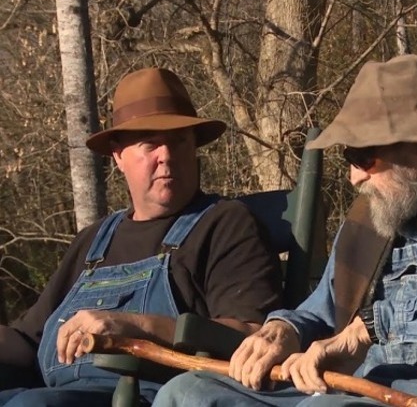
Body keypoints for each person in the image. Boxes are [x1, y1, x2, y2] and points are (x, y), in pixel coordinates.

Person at [152, 54, 417, 407]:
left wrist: (369, 327)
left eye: (365, 157)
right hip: (352, 386)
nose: (352, 177)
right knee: (188, 393)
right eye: (349, 156)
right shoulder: (376, 213)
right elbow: (322, 309)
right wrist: (284, 330)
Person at [0, 68, 283, 406]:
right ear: (118, 156)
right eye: (150, 143)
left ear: (194, 147)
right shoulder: (93, 242)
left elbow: (252, 335)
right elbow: (27, 339)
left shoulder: (225, 224)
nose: (166, 156)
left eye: (178, 140)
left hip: (155, 397)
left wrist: (135, 325)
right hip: (57, 394)